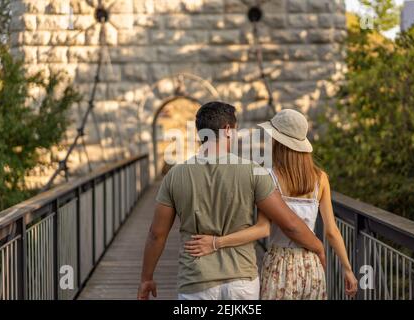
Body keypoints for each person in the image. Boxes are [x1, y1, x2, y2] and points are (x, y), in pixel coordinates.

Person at [137, 102, 325, 300]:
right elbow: (291, 224)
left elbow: (156, 234)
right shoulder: (253, 172)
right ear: (227, 130)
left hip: (196, 281)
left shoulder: (175, 175)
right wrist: (319, 247)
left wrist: (146, 278)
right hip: (241, 282)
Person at [185, 109, 358, 300]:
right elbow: (332, 230)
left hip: (279, 264)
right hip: (311, 264)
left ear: (278, 141)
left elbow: (263, 228)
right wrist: (347, 269)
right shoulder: (320, 179)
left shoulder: (267, 176)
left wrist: (216, 243)